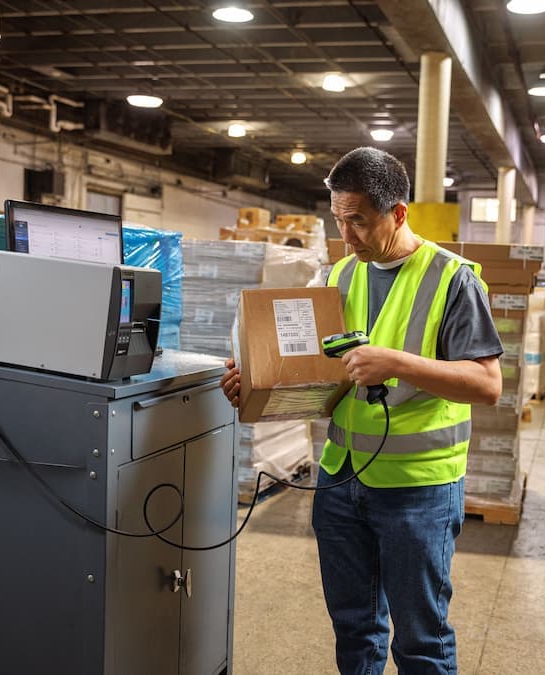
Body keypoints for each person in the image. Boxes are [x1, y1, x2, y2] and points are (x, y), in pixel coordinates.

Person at [220, 147, 504, 674]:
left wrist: (397, 363)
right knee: (354, 628)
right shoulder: (338, 278)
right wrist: (253, 381)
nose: (346, 237)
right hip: (340, 480)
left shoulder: (453, 279)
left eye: (358, 222)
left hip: (417, 489)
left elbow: (487, 384)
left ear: (398, 213)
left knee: (421, 640)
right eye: (338, 220)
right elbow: (309, 372)